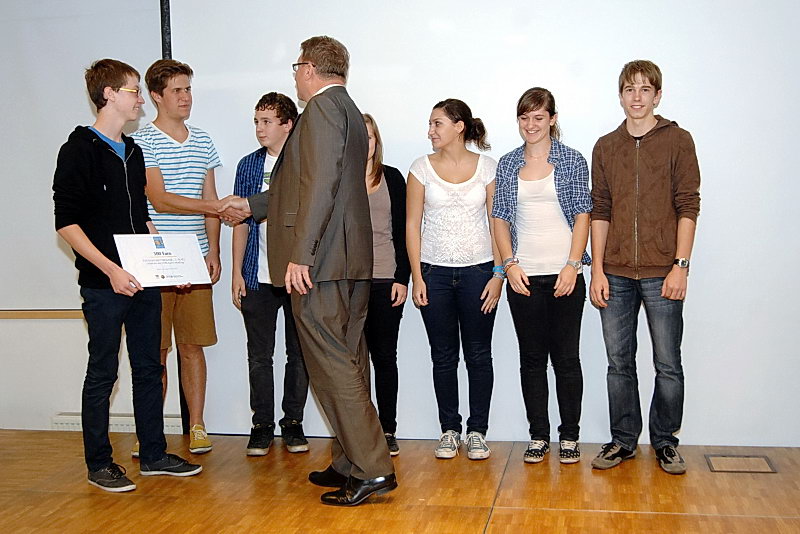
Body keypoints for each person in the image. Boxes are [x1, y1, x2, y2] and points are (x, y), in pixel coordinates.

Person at [228, 36, 397, 506]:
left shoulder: (321, 109)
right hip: (348, 258)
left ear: (308, 69)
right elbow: (312, 186)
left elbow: (320, 185)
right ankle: (350, 461)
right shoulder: (348, 109)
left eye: (296, 68)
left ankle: (372, 467)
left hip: (320, 261)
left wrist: (300, 254)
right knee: (348, 360)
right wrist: (252, 206)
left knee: (332, 364)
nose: (295, 77)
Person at [53, 58, 202, 492]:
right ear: (109, 95)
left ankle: (153, 455)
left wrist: (168, 264)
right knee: (103, 373)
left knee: (148, 367)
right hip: (104, 285)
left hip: (143, 280)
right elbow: (66, 223)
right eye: (134, 91)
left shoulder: (134, 151)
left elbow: (142, 218)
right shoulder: (78, 149)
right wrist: (111, 270)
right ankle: (99, 463)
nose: (140, 99)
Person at [589, 60, 700, 475]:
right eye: (629, 89)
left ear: (657, 95)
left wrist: (680, 266)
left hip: (662, 273)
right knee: (619, 363)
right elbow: (600, 210)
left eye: (645, 89)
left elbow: (688, 205)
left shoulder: (678, 141)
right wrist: (597, 270)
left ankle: (665, 442)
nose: (637, 97)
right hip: (615, 274)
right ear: (620, 96)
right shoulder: (606, 146)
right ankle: (623, 441)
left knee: (667, 363)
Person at [131, 59, 232, 456]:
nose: (185, 97)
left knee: (193, 345)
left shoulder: (203, 140)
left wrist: (214, 250)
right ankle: (150, 433)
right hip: (155, 260)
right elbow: (158, 199)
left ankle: (197, 426)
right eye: (177, 90)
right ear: (156, 96)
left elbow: (210, 199)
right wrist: (216, 206)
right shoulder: (143, 141)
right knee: (155, 351)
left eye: (188, 89)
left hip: (197, 257)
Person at [492, 88, 591, 464]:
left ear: (552, 119)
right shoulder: (507, 163)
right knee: (532, 359)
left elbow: (583, 214)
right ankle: (538, 436)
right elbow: (499, 218)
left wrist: (573, 265)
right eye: (524, 117)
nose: (531, 125)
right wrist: (509, 264)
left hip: (566, 275)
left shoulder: (572, 160)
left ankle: (570, 436)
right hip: (524, 278)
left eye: (538, 117)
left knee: (566, 359)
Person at [406, 98, 502, 461]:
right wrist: (417, 277)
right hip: (434, 274)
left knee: (479, 354)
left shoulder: (488, 168)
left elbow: (498, 223)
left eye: (437, 124)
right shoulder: (420, 168)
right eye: (430, 124)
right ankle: (450, 430)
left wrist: (498, 274)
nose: (430, 131)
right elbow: (411, 226)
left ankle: (477, 431)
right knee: (443, 356)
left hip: (480, 272)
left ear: (459, 126)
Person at [231, 92, 310, 456]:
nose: (260, 129)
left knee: (300, 354)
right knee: (259, 356)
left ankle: (293, 423)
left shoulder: (303, 163)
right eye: (256, 122)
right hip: (256, 275)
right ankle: (261, 425)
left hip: (296, 275)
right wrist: (237, 273)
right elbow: (240, 221)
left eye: (267, 122)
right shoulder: (248, 165)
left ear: (288, 125)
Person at [362, 113, 410, 456]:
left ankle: (387, 428)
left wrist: (402, 278)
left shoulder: (392, 177)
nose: (364, 143)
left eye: (369, 136)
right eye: (358, 136)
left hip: (385, 280)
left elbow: (405, 232)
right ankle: (359, 432)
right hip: (349, 283)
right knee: (352, 362)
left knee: (384, 358)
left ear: (376, 141)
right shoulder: (339, 178)